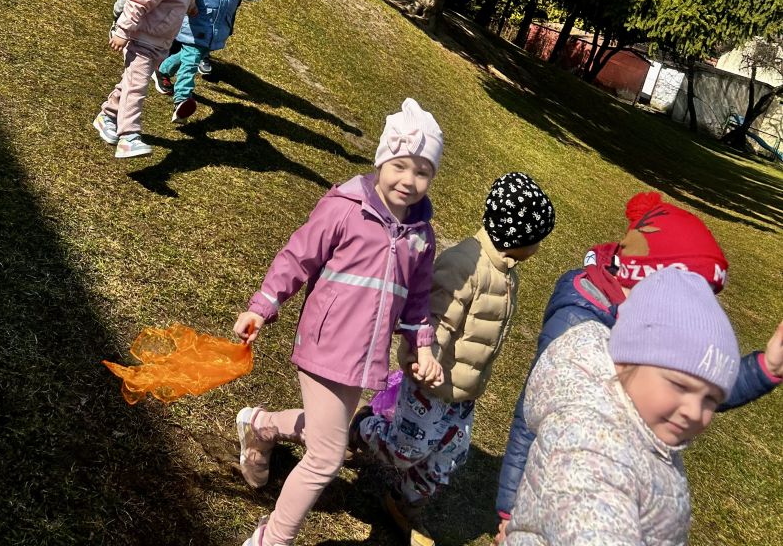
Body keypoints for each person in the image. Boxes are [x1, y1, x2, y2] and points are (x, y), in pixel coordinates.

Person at [494, 190, 783, 539]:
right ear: (646, 279)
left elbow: (697, 385)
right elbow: (533, 415)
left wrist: (767, 368)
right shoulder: (580, 326)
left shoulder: (656, 328)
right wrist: (511, 506)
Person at [233, 98, 446, 546]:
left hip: (365, 356)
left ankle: (260, 426)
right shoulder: (346, 206)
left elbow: (416, 303)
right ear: (382, 161)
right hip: (325, 342)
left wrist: (423, 348)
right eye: (400, 166)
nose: (409, 180)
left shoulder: (421, 237)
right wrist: (262, 306)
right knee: (327, 458)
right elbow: (298, 257)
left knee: (325, 431)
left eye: (422, 172)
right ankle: (271, 539)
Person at [355, 174, 556, 541]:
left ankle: (403, 502)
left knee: (450, 454)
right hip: (430, 385)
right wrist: (422, 359)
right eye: (537, 240)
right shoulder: (466, 265)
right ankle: (360, 426)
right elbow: (436, 319)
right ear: (518, 236)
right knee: (404, 450)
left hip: (462, 392)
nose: (539, 248)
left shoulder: (506, 272)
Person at [505, 268, 740, 545]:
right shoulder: (595, 453)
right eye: (679, 386)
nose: (694, 411)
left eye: (711, 398)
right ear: (627, 360)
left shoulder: (644, 425)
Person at [92, 0, 219, 160]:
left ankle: (107, 116)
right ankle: (128, 137)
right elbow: (137, 3)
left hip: (159, 42)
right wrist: (122, 31)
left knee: (131, 83)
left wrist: (191, 5)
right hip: (141, 40)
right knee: (137, 87)